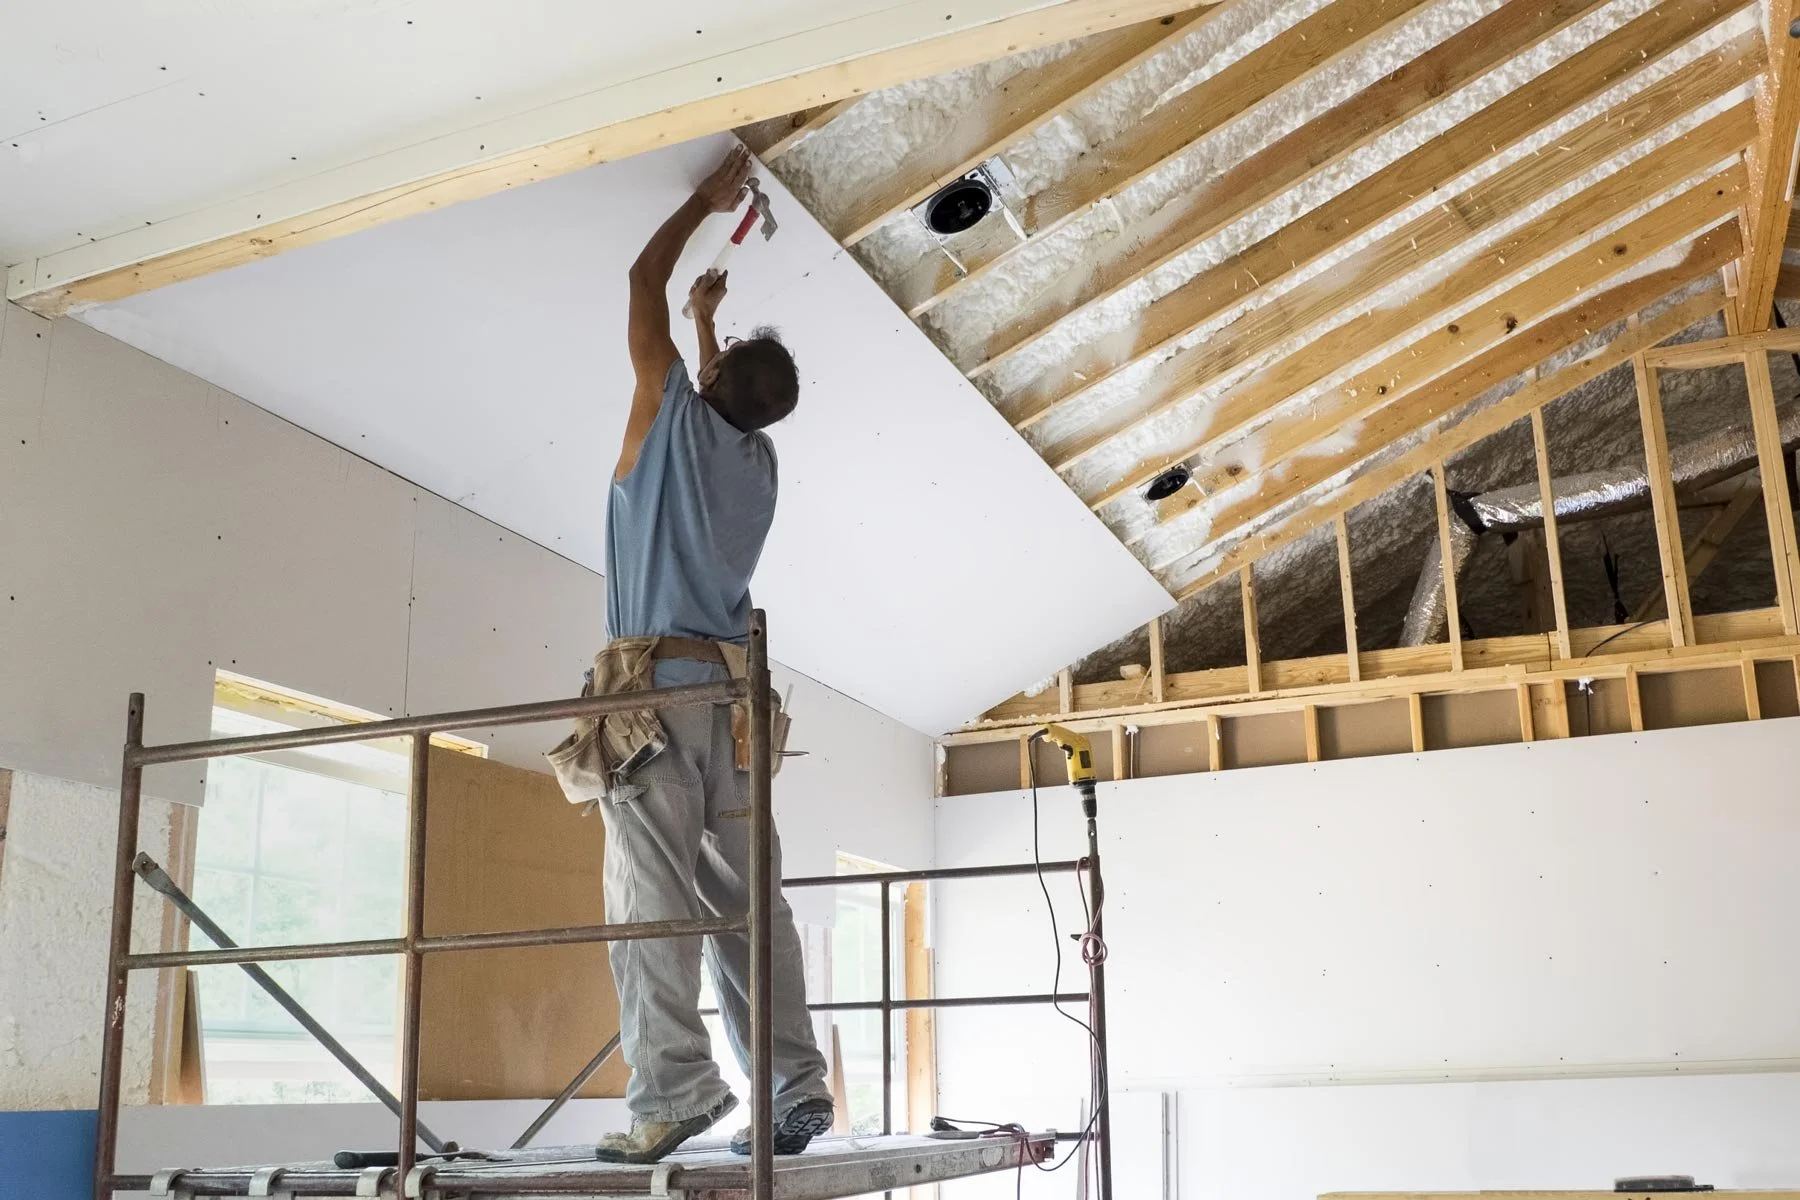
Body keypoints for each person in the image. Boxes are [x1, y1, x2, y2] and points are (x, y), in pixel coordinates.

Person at [590, 145, 832, 1164]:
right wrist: (706, 324)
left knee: (651, 897)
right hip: (735, 707)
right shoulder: (760, 462)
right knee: (748, 902)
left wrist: (704, 200)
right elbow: (716, 394)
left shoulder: (667, 420)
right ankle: (792, 1086)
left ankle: (675, 1093)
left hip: (653, 695)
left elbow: (637, 280)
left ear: (717, 379)